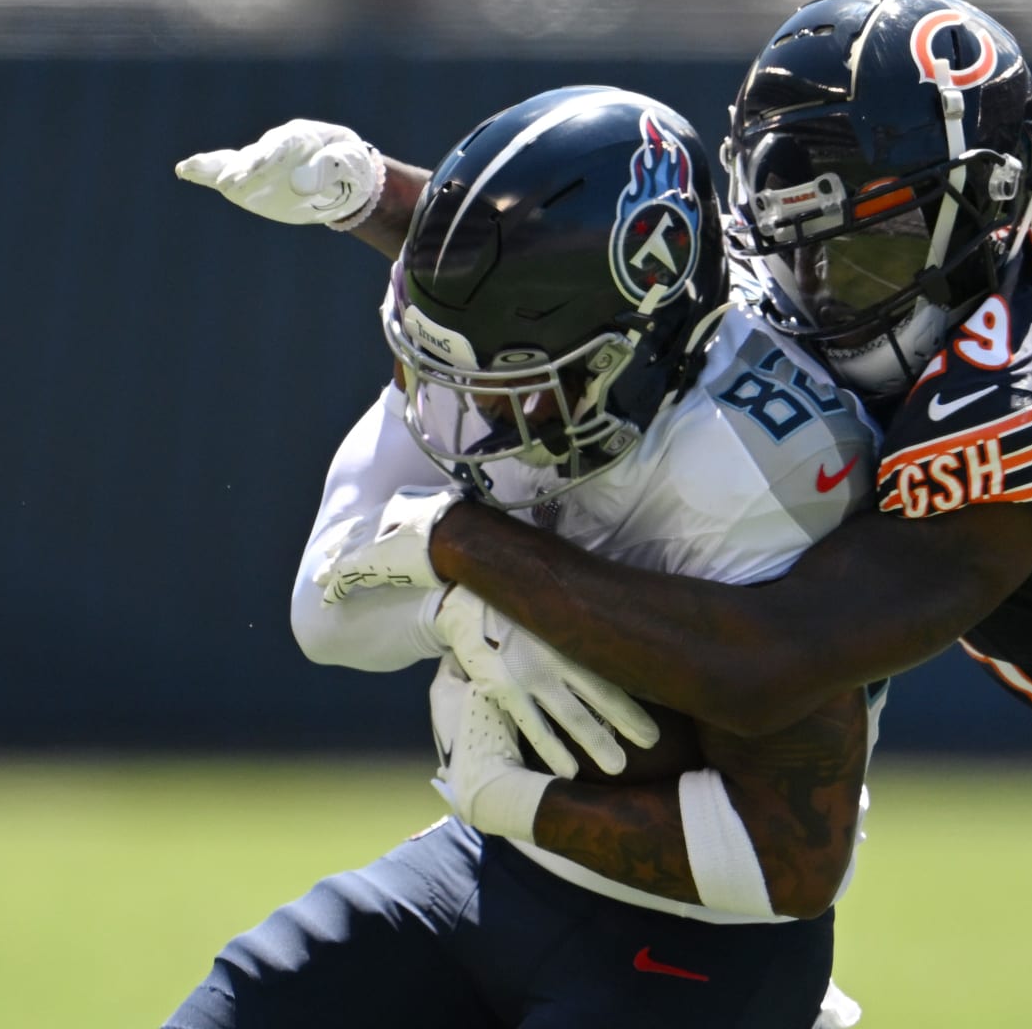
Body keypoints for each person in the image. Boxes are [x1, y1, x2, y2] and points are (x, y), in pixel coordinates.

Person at [195, 0, 1032, 1029]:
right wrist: (381, 199)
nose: (811, 286)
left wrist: (458, 544)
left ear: (978, 215)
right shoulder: (943, 245)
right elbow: (632, 271)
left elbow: (767, 665)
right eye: (785, 230)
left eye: (857, 248)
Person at [169, 87, 881, 1029]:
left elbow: (786, 864)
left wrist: (513, 794)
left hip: (701, 947)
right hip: (482, 871)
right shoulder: (491, 356)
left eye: (513, 384)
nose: (467, 419)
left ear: (635, 351)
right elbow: (326, 611)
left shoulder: (769, 471)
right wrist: (457, 609)